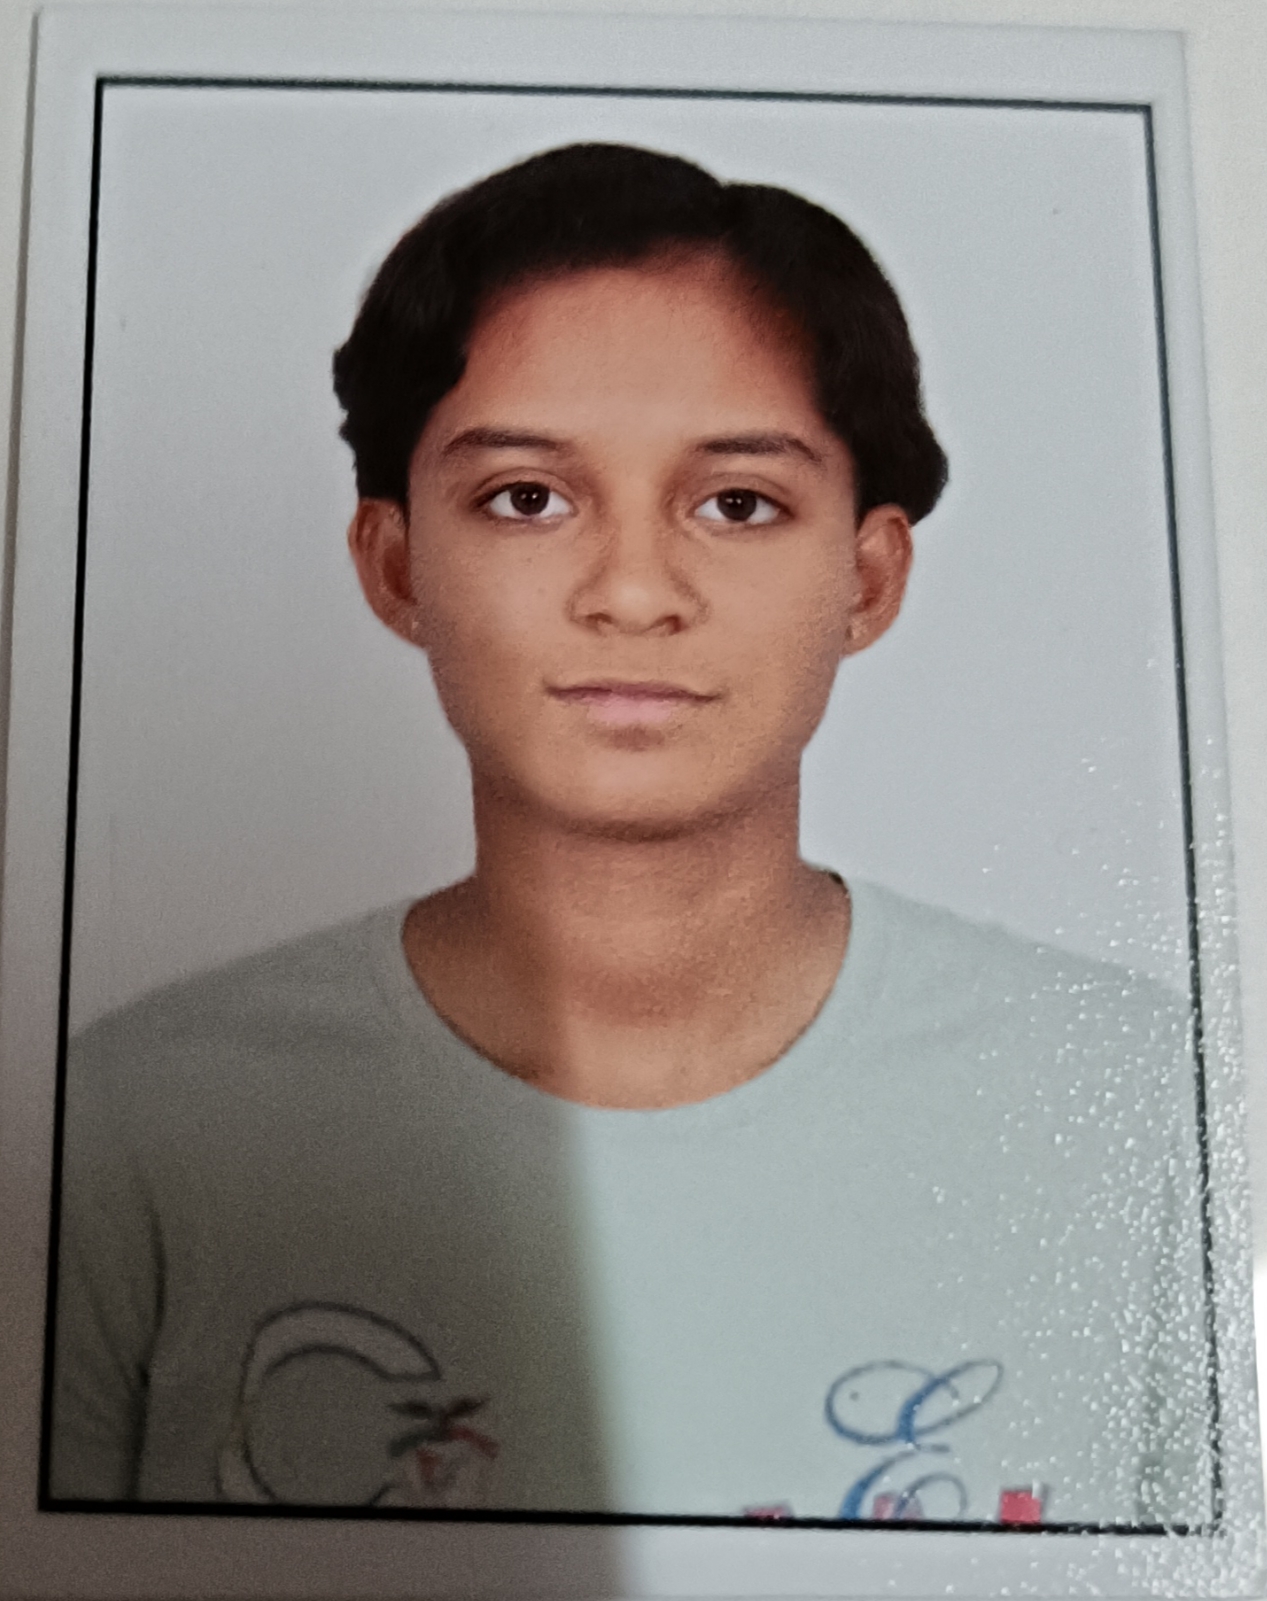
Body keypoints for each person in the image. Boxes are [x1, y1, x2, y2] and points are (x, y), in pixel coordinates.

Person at [49, 143, 1212, 1525]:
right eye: (527, 497)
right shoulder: (134, 1128)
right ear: (397, 563)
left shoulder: (1143, 1109)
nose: (635, 592)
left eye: (738, 503)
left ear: (868, 575)